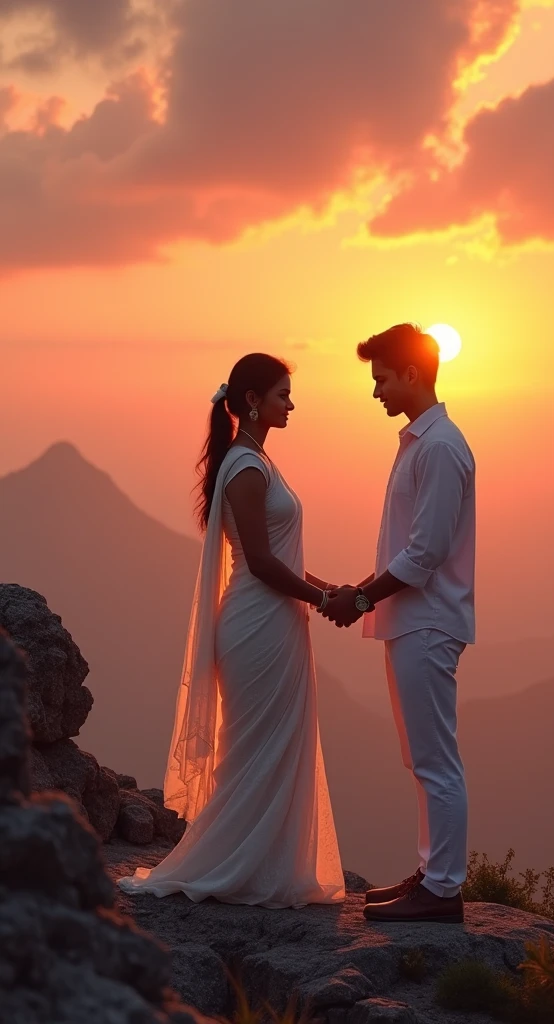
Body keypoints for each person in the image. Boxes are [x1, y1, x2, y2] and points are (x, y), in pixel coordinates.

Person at [118, 353, 344, 909]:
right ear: (252, 401)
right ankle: (235, 865)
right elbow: (262, 563)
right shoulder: (245, 467)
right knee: (252, 750)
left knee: (271, 746)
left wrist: (328, 589)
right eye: (282, 394)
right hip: (256, 625)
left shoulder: (256, 460)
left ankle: (264, 865)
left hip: (275, 619)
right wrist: (322, 597)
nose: (291, 404)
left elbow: (279, 556)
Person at [322, 323, 476, 924]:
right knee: (422, 757)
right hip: (412, 619)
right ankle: (431, 873)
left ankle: (442, 891)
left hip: (428, 621)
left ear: (413, 373)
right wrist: (363, 594)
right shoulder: (419, 441)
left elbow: (424, 553)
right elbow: (405, 548)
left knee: (436, 758)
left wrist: (359, 597)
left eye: (382, 378)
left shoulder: (438, 447)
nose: (376, 391)